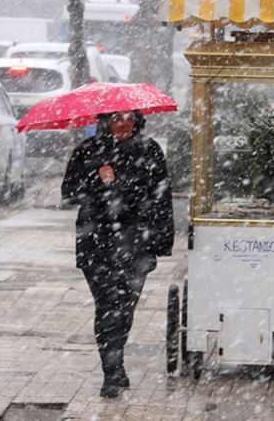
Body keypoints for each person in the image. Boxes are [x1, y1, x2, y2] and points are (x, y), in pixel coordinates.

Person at [62, 110, 174, 398]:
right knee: (106, 305)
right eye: (116, 118)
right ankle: (111, 372)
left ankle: (117, 360)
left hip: (136, 242)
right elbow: (69, 194)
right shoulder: (88, 151)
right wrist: (97, 181)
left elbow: (161, 196)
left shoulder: (149, 150)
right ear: (104, 121)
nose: (123, 124)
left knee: (125, 308)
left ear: (137, 121)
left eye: (128, 118)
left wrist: (162, 241)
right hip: (96, 243)